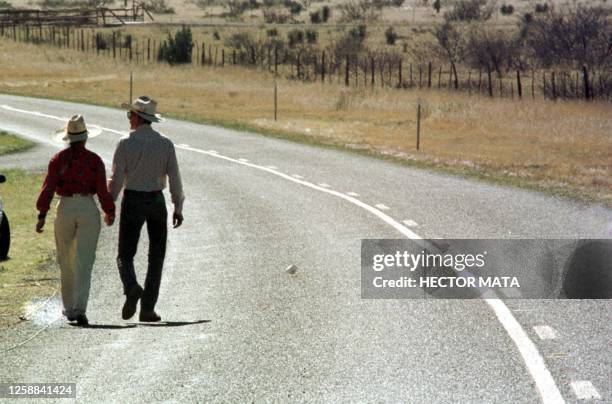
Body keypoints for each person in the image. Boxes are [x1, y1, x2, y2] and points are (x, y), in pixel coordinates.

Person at [108, 95, 184, 323]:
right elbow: (175, 177)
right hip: (157, 201)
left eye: (130, 114)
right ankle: (148, 309)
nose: (128, 118)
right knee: (157, 255)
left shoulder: (125, 143)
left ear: (137, 117)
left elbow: (117, 178)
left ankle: (131, 286)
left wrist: (109, 204)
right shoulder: (165, 143)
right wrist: (177, 206)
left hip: (133, 199)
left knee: (125, 254)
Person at [36, 115, 115, 327]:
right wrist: (110, 211)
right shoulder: (94, 160)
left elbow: (48, 189)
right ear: (86, 138)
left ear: (68, 138)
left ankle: (69, 308)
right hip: (87, 207)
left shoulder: (58, 160)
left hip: (66, 208)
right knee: (85, 261)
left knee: (66, 259)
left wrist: (42, 214)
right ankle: (80, 308)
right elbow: (101, 191)